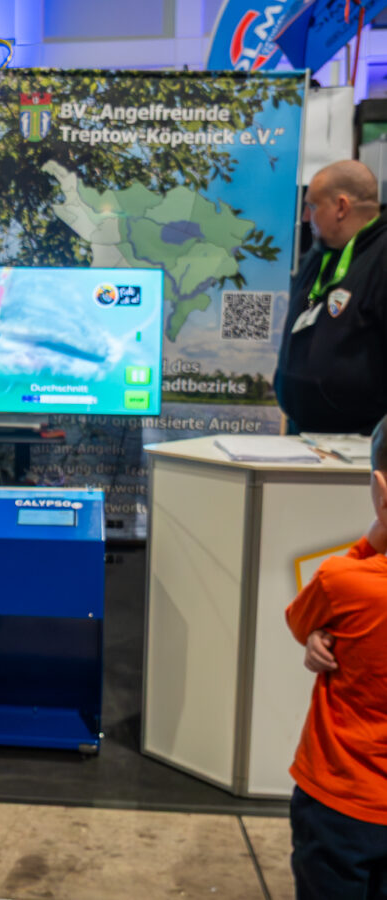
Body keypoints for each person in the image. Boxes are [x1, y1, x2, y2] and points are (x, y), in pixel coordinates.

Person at [285, 412, 387, 898]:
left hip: (340, 800)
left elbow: (298, 620)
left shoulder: (342, 580)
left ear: (381, 490)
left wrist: (369, 541)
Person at [274, 159, 387, 435]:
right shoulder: (320, 253)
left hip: (358, 441)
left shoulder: (381, 258)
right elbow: (308, 313)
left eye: (312, 206)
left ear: (341, 207)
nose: (305, 217)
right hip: (304, 433)